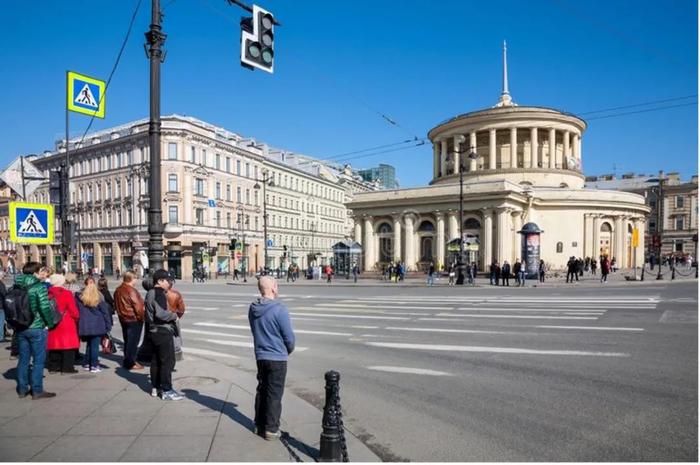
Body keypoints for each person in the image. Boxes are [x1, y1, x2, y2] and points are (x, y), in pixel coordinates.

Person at [248, 276, 295, 441]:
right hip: (277, 357)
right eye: (277, 285)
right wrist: (287, 350)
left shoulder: (253, 308)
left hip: (260, 355)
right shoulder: (280, 308)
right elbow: (289, 337)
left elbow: (255, 331)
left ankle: (259, 425)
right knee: (274, 393)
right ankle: (271, 429)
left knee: (262, 389)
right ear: (273, 288)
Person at [13, 262, 56, 399]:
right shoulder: (39, 287)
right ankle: (37, 390)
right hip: (36, 326)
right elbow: (44, 307)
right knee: (38, 360)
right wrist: (50, 323)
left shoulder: (16, 284)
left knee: (23, 359)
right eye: (40, 271)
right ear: (35, 272)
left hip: (21, 326)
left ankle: (22, 389)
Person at [145, 270, 181, 400]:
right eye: (168, 281)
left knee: (156, 360)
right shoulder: (158, 293)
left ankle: (156, 387)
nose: (170, 283)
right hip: (162, 331)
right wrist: (174, 315)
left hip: (154, 331)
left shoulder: (151, 292)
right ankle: (167, 389)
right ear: (160, 281)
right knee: (167, 361)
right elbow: (160, 314)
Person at [76, 279, 112, 373]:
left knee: (89, 345)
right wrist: (108, 326)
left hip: (85, 325)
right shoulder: (98, 298)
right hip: (97, 325)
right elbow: (105, 314)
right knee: (95, 346)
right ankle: (94, 365)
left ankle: (87, 363)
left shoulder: (80, 298)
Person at [46, 274, 80, 374]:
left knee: (54, 345)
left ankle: (53, 367)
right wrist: (76, 317)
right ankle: (67, 368)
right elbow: (73, 310)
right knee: (67, 346)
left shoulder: (47, 293)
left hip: (52, 321)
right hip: (66, 321)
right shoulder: (66, 293)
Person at [114, 271, 145, 371]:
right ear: (131, 279)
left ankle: (128, 360)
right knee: (133, 343)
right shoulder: (132, 291)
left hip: (124, 319)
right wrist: (142, 318)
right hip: (134, 319)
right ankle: (130, 363)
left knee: (127, 341)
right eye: (135, 278)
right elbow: (139, 308)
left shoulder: (118, 290)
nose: (136, 280)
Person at [0, 271, 6, 342]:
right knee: (1, 322)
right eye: (3, 276)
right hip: (0, 306)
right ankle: (0, 337)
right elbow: (5, 295)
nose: (3, 278)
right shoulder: (1, 285)